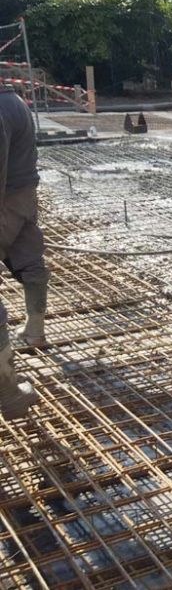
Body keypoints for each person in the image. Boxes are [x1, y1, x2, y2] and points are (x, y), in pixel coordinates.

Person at [0, 86, 47, 419]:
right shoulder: (13, 99)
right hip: (24, 194)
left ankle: (8, 392)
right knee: (31, 260)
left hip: (7, 199)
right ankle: (35, 330)